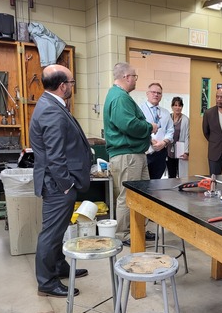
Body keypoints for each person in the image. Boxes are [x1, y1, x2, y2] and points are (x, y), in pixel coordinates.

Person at [30, 64, 92, 298]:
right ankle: (46, 282)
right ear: (62, 85)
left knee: (58, 229)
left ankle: (58, 266)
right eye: (72, 83)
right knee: (52, 233)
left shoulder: (52, 105)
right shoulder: (51, 110)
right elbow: (55, 155)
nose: (72, 87)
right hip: (58, 185)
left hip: (58, 182)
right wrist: (66, 185)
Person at [103, 62, 158, 245]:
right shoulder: (119, 97)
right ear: (126, 77)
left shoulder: (121, 96)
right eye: (135, 76)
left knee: (142, 195)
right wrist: (149, 127)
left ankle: (139, 229)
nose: (135, 79)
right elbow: (129, 125)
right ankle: (124, 234)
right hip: (127, 156)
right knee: (128, 196)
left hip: (135, 154)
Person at [140, 83, 174, 179]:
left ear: (161, 96)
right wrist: (150, 140)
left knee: (156, 183)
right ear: (147, 93)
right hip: (145, 152)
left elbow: (171, 130)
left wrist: (164, 142)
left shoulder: (165, 112)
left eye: (159, 93)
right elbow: (138, 129)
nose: (156, 95)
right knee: (144, 183)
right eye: (153, 92)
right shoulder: (140, 110)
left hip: (161, 153)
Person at [166, 96, 190, 178]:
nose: (177, 107)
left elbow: (187, 136)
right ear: (172, 106)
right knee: (171, 174)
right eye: (175, 105)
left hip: (180, 150)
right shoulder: (168, 117)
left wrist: (186, 152)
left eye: (179, 105)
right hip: (169, 150)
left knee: (181, 175)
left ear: (182, 107)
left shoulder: (186, 120)